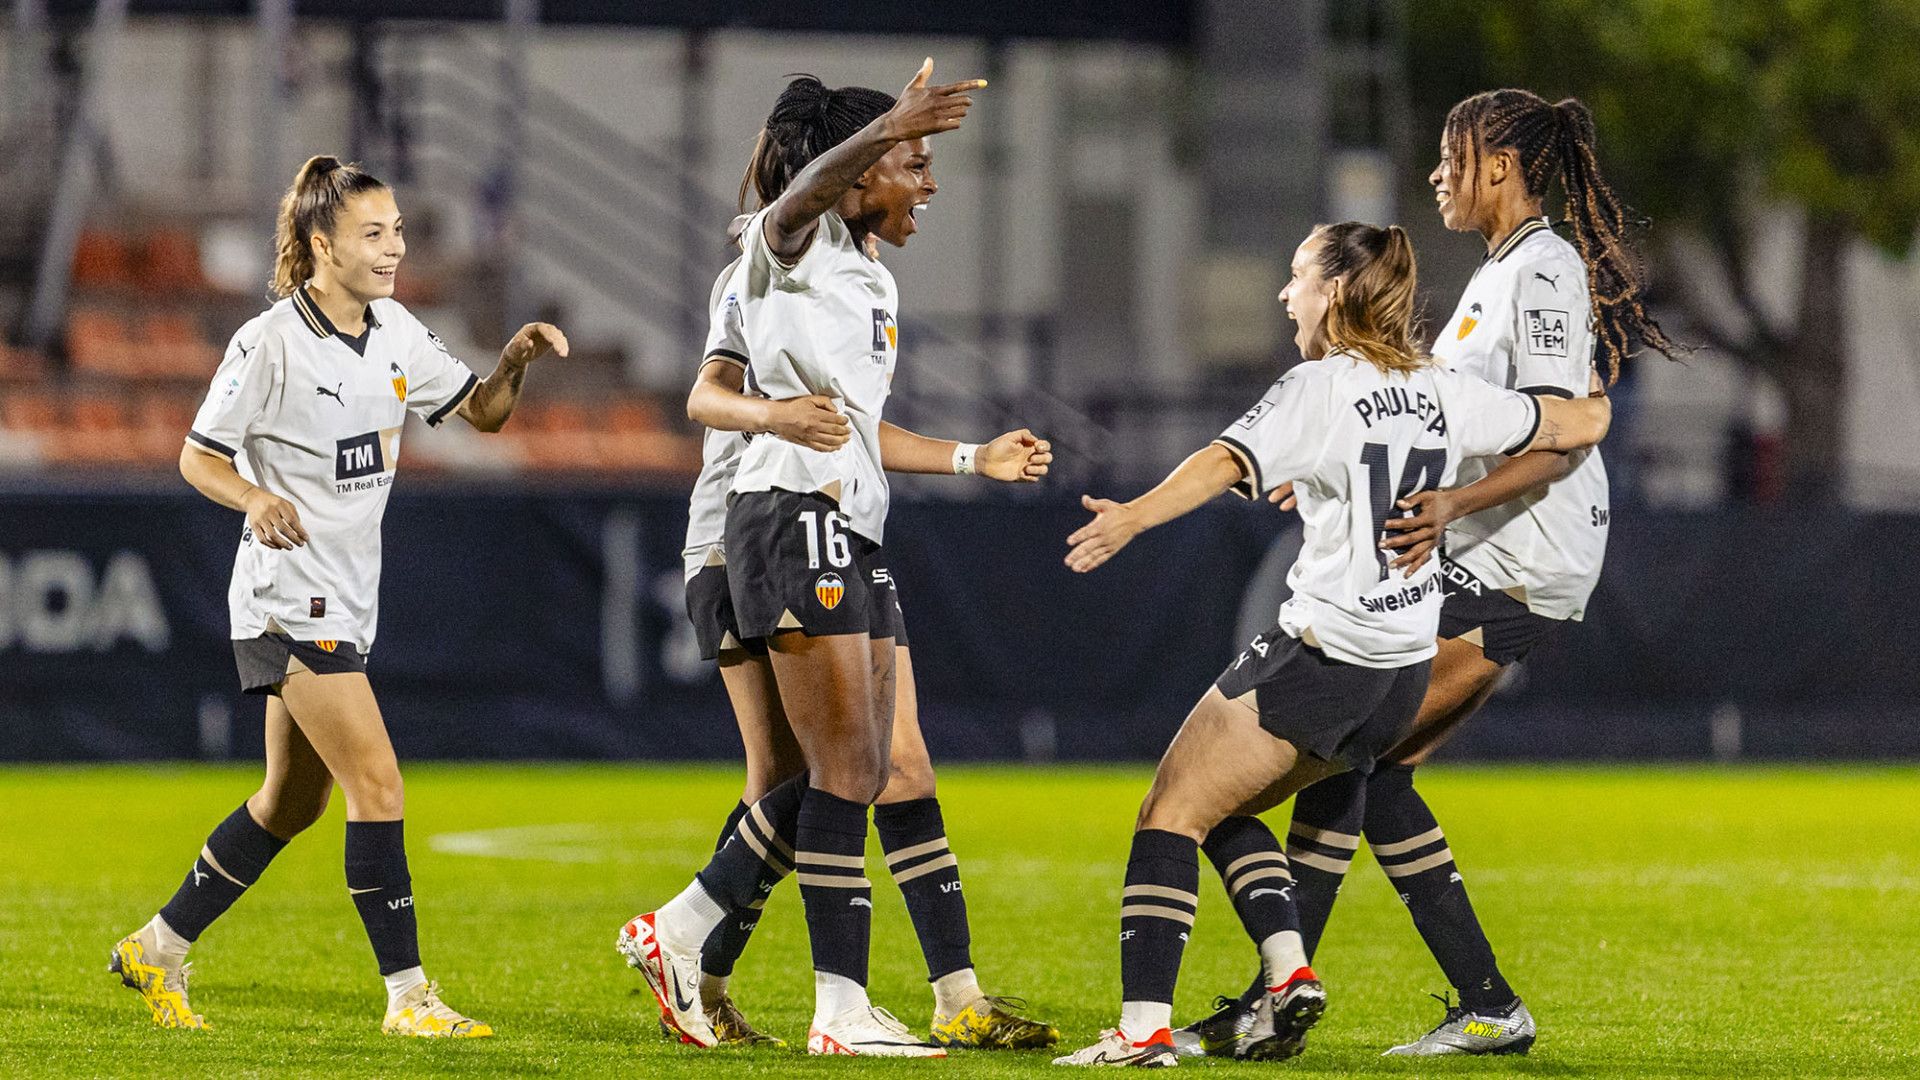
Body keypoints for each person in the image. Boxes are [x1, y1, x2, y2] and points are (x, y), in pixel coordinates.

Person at [1176, 89, 1682, 1060]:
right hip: (1496, 556)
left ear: (1500, 165)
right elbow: (1448, 425)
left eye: (1454, 157)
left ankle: (1274, 1002)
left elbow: (1561, 428)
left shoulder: (1541, 271)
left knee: (1348, 751)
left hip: (1516, 562)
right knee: (1382, 769)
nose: (1439, 175)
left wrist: (1444, 508)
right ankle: (1485, 1005)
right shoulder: (1505, 273)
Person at [1048, 221, 1611, 1067]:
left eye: (1298, 276)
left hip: (1328, 652)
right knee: (1229, 805)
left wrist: (1133, 515)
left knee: (1168, 812)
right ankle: (1287, 975)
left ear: (1337, 293)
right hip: (1399, 669)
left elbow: (1218, 460)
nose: (1286, 293)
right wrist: (1597, 392)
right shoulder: (1438, 386)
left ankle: (1141, 1034)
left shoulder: (1319, 386)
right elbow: (1569, 425)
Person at [615, 63, 1022, 1058]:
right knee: (825, 773)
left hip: (842, 523)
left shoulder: (860, 274)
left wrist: (974, 456)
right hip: (771, 522)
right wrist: (892, 125)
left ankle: (713, 959)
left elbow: (860, 428)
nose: (927, 184)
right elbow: (724, 375)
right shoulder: (784, 250)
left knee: (866, 766)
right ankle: (776, 982)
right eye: (913, 164)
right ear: (862, 171)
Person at [109, 155, 567, 1038]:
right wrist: (256, 496)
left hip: (349, 600)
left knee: (291, 801)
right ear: (322, 244)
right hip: (288, 599)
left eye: (396, 230)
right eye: (374, 233)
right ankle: (409, 999)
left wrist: (511, 360)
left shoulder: (397, 330)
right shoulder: (269, 341)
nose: (394, 247)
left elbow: (483, 414)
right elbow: (196, 455)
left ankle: (157, 947)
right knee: (378, 782)